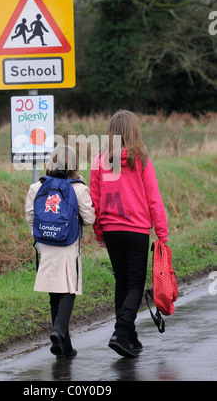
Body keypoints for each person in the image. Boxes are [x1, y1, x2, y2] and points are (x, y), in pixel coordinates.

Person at [90, 110, 168, 357]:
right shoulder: (141, 160)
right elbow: (153, 199)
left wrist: (99, 232)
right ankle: (122, 330)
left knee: (122, 282)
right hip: (136, 230)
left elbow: (95, 200)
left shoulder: (100, 161)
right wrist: (162, 236)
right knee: (135, 283)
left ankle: (130, 337)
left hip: (112, 230)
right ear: (134, 131)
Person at [25, 145, 95, 358]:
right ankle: (57, 331)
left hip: (45, 243)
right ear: (74, 165)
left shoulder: (37, 187)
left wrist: (41, 234)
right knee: (69, 289)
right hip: (68, 244)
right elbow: (90, 218)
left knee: (54, 290)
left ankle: (64, 346)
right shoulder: (79, 188)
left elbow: (30, 215)